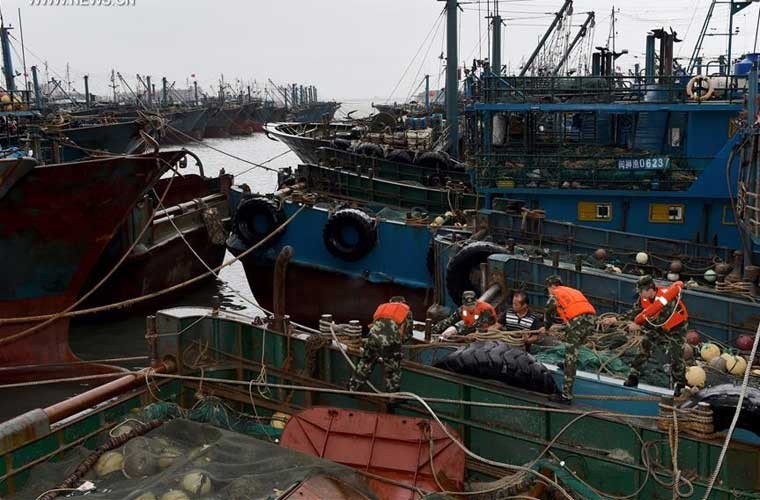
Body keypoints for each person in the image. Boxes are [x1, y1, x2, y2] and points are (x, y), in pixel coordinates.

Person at [602, 275, 688, 396]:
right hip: (656, 325)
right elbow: (635, 311)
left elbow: (659, 322)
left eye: (641, 291)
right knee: (645, 344)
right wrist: (616, 319)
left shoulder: (667, 299)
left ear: (649, 290)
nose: (640, 294)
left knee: (676, 355)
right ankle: (633, 376)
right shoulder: (644, 298)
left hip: (675, 327)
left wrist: (640, 327)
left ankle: (680, 384)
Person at [542, 275, 596, 404]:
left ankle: (566, 396)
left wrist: (546, 327)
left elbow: (548, 312)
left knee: (571, 357)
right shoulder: (573, 291)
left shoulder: (555, 294)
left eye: (548, 288)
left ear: (551, 286)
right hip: (590, 321)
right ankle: (567, 365)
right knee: (572, 347)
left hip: (577, 323)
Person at [348, 296, 413, 393]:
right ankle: (392, 398)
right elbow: (408, 335)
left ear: (390, 302)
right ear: (403, 302)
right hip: (390, 342)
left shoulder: (382, 308)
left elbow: (375, 325)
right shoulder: (406, 311)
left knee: (366, 362)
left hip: (372, 338)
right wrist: (398, 344)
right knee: (392, 370)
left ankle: (352, 388)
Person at [432, 290, 497, 341]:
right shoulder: (463, 308)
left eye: (472, 305)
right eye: (467, 305)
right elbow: (450, 320)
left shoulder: (485, 310)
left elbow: (475, 325)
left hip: (486, 331)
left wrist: (455, 329)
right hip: (467, 328)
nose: (470, 307)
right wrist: (434, 330)